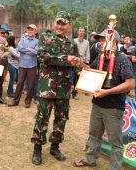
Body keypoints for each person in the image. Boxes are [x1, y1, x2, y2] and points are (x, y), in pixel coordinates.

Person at [73, 32, 135, 170]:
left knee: (115, 141)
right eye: (100, 40)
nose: (100, 43)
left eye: (104, 40)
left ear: (114, 43)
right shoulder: (101, 58)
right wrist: (81, 63)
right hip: (97, 104)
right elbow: (91, 71)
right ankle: (90, 159)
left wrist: (107, 92)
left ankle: (115, 167)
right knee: (94, 134)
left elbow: (130, 84)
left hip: (113, 108)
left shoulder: (122, 59)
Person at [30, 11, 81, 165]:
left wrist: (85, 74)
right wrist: (66, 59)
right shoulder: (45, 38)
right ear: (54, 23)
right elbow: (43, 57)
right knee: (42, 117)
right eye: (58, 23)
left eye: (63, 23)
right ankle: (37, 149)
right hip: (47, 86)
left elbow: (75, 64)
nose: (60, 26)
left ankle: (55, 147)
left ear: (68, 26)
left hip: (64, 88)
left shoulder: (72, 43)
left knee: (61, 119)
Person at [8, 24, 38, 108]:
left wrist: (26, 50)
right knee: (19, 83)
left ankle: (28, 101)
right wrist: (30, 49)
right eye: (29, 29)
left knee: (30, 84)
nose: (30, 31)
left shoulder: (37, 41)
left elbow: (36, 52)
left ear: (35, 31)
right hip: (22, 65)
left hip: (32, 66)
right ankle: (15, 101)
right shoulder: (22, 40)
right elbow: (20, 49)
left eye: (32, 29)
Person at [71, 27, 90, 98]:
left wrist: (87, 62)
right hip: (74, 61)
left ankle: (74, 93)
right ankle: (71, 91)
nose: (81, 32)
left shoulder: (87, 42)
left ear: (84, 33)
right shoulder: (74, 41)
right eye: (80, 31)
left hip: (82, 62)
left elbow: (87, 52)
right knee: (72, 77)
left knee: (79, 78)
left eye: (83, 31)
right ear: (78, 32)